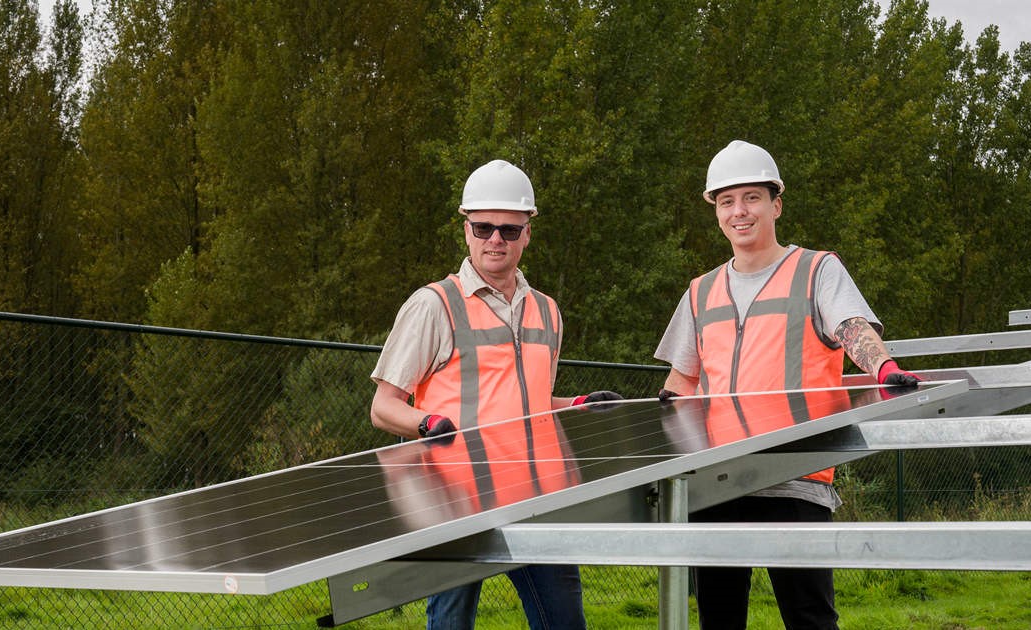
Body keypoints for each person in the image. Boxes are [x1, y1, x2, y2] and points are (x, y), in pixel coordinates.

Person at [654, 141, 920, 630]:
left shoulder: (816, 270)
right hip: (716, 478)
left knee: (810, 618)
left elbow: (852, 329)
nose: (740, 211)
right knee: (719, 617)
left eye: (752, 197)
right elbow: (681, 382)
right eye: (727, 201)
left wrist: (883, 368)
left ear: (776, 204)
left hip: (795, 474)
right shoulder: (700, 290)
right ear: (716, 210)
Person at [370, 158, 619, 630]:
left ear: (528, 232)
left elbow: (530, 405)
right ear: (466, 230)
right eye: (483, 228)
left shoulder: (547, 311)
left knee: (564, 623)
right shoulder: (434, 304)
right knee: (450, 623)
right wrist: (428, 425)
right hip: (453, 502)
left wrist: (580, 405)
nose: (495, 240)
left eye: (508, 229)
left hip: (537, 500)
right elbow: (384, 407)